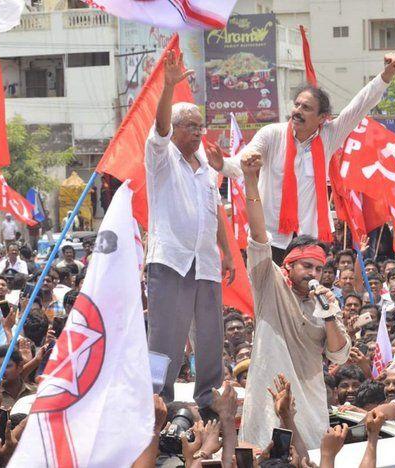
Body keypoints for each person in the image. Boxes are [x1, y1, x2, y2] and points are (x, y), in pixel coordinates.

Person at [213, 53, 395, 263]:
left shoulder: (329, 135)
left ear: (322, 118)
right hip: (268, 239)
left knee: (304, 295)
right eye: (297, 105)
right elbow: (241, 164)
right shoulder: (271, 134)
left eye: (306, 108)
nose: (298, 111)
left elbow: (359, 105)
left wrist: (386, 75)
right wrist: (222, 164)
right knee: (265, 296)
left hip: (308, 243)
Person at [239, 149, 350, 449]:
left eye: (319, 268)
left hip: (309, 405)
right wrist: (251, 180)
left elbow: (338, 356)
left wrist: (327, 315)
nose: (313, 273)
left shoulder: (326, 301)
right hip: (266, 401)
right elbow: (259, 235)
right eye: (307, 266)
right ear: (288, 265)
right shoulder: (270, 282)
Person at [144, 50, 234, 413]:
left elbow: (216, 213)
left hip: (206, 262)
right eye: (191, 126)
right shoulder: (161, 158)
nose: (199, 132)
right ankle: (156, 400)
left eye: (201, 126)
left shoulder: (207, 169)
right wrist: (168, 87)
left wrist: (226, 252)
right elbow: (160, 127)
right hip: (171, 260)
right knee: (165, 337)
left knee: (211, 337)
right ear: (176, 129)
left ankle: (208, 398)